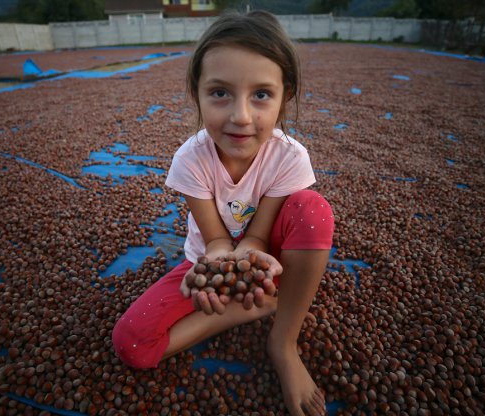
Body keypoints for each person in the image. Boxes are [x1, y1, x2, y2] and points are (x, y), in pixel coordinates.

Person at [112, 10, 334, 416]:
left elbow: (257, 237)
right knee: (132, 345)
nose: (241, 116)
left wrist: (249, 260)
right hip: (210, 260)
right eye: (220, 93)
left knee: (312, 209)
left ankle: (282, 342)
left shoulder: (288, 157)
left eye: (261, 95)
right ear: (196, 93)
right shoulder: (190, 160)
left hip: (267, 254)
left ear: (287, 95)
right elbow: (216, 240)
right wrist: (217, 269)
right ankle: (262, 304)